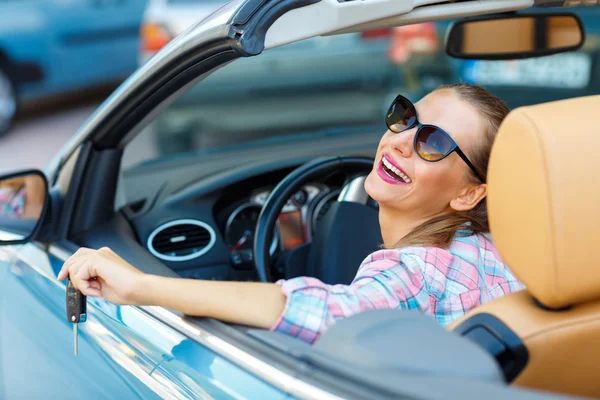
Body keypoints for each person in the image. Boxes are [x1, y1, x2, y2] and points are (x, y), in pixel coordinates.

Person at [58, 83, 525, 344]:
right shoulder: (508, 250)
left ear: (469, 194)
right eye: (407, 117)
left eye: (433, 143)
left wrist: (140, 286)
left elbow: (328, 314)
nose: (401, 140)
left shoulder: (417, 270)